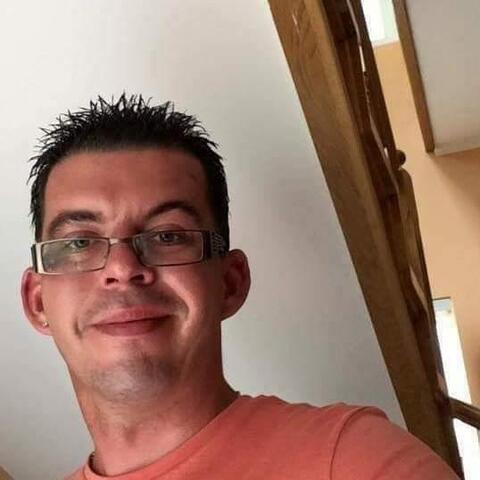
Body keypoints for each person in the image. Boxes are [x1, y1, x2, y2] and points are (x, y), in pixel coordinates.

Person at [21, 94, 459, 479]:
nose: (122, 268)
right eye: (78, 243)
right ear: (37, 301)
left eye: (168, 235)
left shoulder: (356, 461)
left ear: (230, 283)